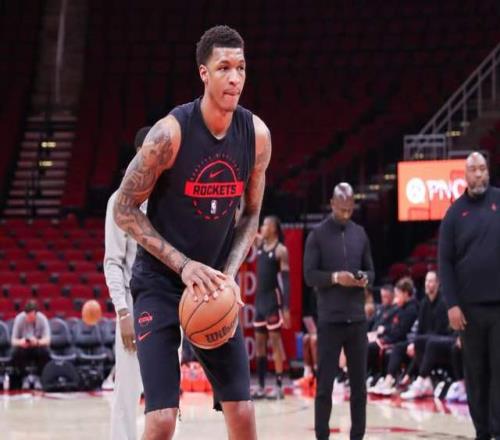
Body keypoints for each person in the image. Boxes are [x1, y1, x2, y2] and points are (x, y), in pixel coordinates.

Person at [114, 25, 270, 440]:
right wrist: (183, 266)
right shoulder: (170, 134)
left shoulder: (256, 136)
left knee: (243, 412)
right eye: (224, 68)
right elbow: (122, 209)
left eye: (241, 67)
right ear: (204, 73)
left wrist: (228, 275)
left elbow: (252, 215)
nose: (235, 78)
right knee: (162, 419)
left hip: (212, 286)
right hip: (160, 284)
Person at [304, 182, 375, 440]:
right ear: (332, 204)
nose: (345, 213)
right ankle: (322, 436)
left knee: (359, 388)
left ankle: (358, 436)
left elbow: (372, 271)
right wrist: (335, 278)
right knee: (325, 387)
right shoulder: (317, 235)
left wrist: (364, 278)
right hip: (330, 321)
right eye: (341, 208)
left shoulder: (360, 234)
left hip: (357, 320)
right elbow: (309, 275)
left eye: (349, 209)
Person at [439, 152, 500, 440]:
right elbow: (445, 262)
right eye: (473, 169)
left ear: (488, 171)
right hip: (469, 311)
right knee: (476, 373)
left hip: (499, 307)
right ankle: (482, 431)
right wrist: (452, 304)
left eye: (482, 168)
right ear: (465, 175)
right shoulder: (454, 213)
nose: (478, 174)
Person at [104, 126, 150, 440]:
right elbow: (113, 261)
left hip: (168, 303)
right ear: (137, 155)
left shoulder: (172, 199)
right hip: (135, 304)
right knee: (127, 392)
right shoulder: (120, 200)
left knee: (167, 394)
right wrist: (123, 312)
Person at [251, 215, 290, 400]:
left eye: (265, 225)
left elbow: (286, 282)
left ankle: (279, 386)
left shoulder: (281, 250)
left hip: (273, 302)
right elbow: (248, 230)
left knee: (275, 343)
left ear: (274, 228)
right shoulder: (260, 244)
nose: (262, 228)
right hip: (259, 301)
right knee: (259, 344)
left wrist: (286, 308)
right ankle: (260, 386)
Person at [367, 277, 418, 395]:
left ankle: (387, 379)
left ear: (406, 294)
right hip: (396, 338)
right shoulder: (400, 308)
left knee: (374, 347)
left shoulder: (411, 309)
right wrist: (383, 333)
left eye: (398, 294)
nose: (396, 297)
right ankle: (372, 377)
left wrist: (384, 338)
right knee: (367, 343)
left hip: (404, 340)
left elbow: (400, 332)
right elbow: (391, 326)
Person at [11, 300, 51, 389]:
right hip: (24, 347)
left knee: (46, 352)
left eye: (32, 317)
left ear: (36, 314)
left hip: (37, 346)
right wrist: (20, 342)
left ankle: (39, 377)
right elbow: (13, 341)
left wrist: (37, 342)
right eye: (28, 316)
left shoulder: (43, 319)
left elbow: (48, 340)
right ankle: (24, 377)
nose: (29, 319)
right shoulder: (19, 319)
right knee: (15, 353)